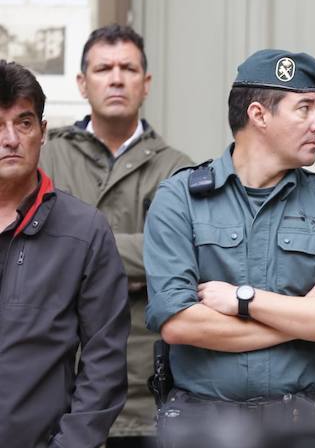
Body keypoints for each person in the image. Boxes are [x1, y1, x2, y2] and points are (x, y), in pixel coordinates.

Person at [143, 50, 315, 444]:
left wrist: (243, 300)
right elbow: (179, 323)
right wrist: (304, 314)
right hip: (203, 429)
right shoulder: (180, 199)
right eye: (305, 108)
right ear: (259, 115)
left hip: (308, 427)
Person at [39, 24, 192, 446]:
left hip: (143, 387)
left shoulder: (177, 169)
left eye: (128, 68)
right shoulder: (45, 158)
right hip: (52, 380)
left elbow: (180, 256)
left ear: (146, 83)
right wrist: (137, 259)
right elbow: (27, 248)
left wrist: (74, 257)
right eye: (104, 68)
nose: (117, 78)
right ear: (82, 83)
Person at [0, 60, 129, 447]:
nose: (10, 139)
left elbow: (104, 364)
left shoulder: (85, 231)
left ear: (42, 132)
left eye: (23, 123)